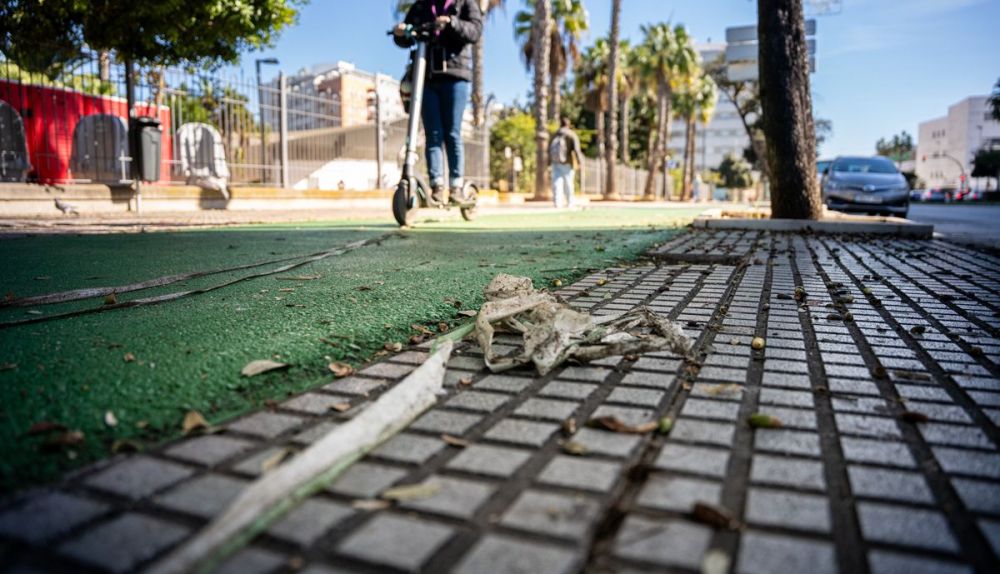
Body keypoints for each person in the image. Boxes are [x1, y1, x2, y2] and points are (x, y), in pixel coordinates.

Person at [394, 0, 483, 204]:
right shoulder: (421, 6)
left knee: (452, 132)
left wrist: (452, 23)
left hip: (455, 75)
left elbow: (475, 31)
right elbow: (407, 35)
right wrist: (400, 33)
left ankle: (456, 186)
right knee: (432, 134)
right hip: (426, 76)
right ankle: (437, 185)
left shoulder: (465, 3)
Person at [549, 117, 584, 209]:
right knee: (568, 183)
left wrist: (549, 161)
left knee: (557, 182)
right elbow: (577, 150)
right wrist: (580, 162)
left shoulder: (555, 134)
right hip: (568, 162)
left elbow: (549, 149)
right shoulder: (571, 134)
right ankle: (570, 203)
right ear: (568, 124)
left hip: (556, 162)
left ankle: (557, 203)